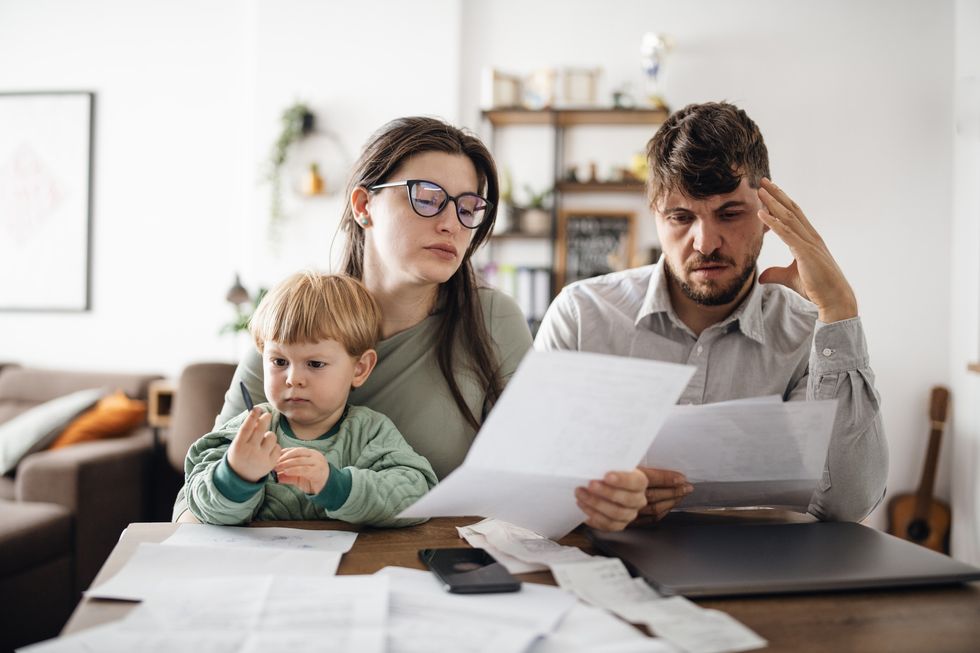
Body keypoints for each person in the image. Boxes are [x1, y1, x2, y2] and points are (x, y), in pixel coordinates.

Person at [174, 116, 647, 531]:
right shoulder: (295, 323)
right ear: (363, 206)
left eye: (468, 208)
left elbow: (541, 479)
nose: (451, 224)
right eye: (427, 197)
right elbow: (195, 500)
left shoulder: (493, 320)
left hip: (433, 567)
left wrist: (604, 495)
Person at [535, 101, 887, 523]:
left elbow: (847, 505)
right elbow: (531, 479)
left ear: (769, 214)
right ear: (656, 218)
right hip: (604, 566)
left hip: (762, 573)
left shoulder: (811, 334)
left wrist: (839, 310)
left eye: (730, 213)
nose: (705, 243)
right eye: (681, 217)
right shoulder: (581, 316)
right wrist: (596, 500)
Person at [184, 272, 437, 527]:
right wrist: (236, 475)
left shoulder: (369, 432)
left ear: (359, 369)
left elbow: (417, 496)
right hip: (259, 564)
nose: (293, 379)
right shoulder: (247, 431)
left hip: (347, 565)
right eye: (279, 362)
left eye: (315, 363)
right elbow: (198, 503)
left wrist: (335, 485)